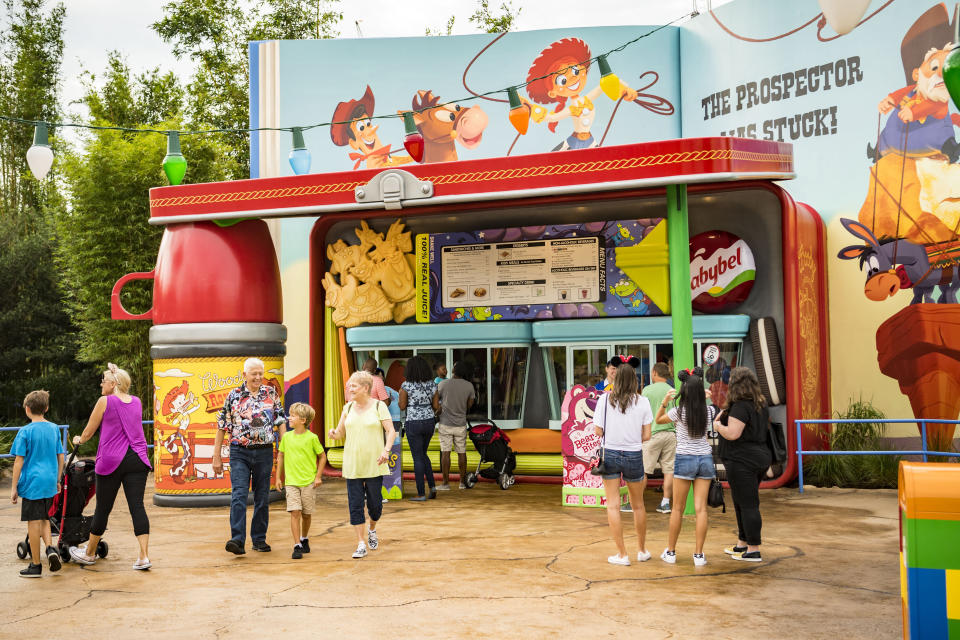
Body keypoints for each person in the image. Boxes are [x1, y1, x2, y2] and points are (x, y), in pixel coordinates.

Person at [70, 364, 153, 570]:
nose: (101, 383)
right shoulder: (136, 401)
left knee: (103, 508)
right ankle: (143, 557)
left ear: (113, 384)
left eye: (104, 380)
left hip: (111, 461)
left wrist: (79, 439)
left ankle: (89, 553)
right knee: (137, 507)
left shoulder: (104, 401)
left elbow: (89, 432)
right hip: (137, 459)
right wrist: (115, 371)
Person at [213, 357, 287, 555]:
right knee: (239, 494)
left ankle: (259, 539)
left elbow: (280, 420)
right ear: (244, 374)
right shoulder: (234, 396)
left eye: (260, 373)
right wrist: (216, 456)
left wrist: (286, 447)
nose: (258, 377)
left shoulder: (271, 393)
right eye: (254, 373)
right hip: (239, 452)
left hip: (264, 451)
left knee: (262, 497)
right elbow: (222, 426)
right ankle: (237, 539)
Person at [328, 371, 396, 559]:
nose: (349, 389)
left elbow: (391, 431)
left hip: (374, 463)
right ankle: (361, 543)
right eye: (349, 386)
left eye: (353, 386)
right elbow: (341, 432)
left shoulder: (378, 406)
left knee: (375, 506)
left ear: (366, 388)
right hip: (353, 464)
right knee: (355, 505)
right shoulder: (347, 408)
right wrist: (334, 433)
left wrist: (386, 451)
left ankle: (372, 528)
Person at [593, 363, 653, 566]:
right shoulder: (643, 401)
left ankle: (622, 555)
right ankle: (642, 550)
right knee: (638, 506)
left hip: (609, 453)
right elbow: (647, 435)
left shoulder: (604, 400)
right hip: (634, 454)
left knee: (613, 505)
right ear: (634, 380)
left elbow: (598, 431)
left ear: (616, 379)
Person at [656, 367, 716, 566]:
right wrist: (706, 399)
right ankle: (699, 555)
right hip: (705, 459)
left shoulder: (678, 411)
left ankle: (671, 552)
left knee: (677, 509)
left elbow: (658, 420)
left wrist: (665, 402)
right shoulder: (709, 410)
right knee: (701, 510)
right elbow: (708, 415)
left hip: (685, 458)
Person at [714, 367, 772, 563]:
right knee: (741, 502)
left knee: (748, 504)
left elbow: (732, 433)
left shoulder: (741, 406)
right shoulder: (759, 404)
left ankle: (753, 549)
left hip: (742, 460)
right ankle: (742, 543)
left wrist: (718, 426)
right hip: (758, 457)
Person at [10, 390, 64, 578]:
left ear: (27, 409)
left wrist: (14, 487)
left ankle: (35, 565)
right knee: (44, 518)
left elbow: (19, 461)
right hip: (49, 480)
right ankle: (50, 548)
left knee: (33, 522)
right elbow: (60, 456)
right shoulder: (54, 428)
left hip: (33, 482)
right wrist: (58, 479)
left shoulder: (25, 431)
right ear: (46, 408)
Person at [277, 402, 326, 560]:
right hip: (291, 482)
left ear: (303, 420)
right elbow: (281, 455)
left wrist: (318, 476)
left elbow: (322, 456)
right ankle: (297, 544)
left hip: (308, 482)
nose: (289, 418)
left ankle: (304, 538)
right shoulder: (286, 437)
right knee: (295, 512)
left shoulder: (312, 438)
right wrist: (279, 477)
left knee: (306, 514)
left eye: (292, 416)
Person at [399, 356, 439, 501]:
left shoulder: (406, 385)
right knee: (423, 454)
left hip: (413, 422)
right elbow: (436, 406)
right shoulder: (432, 385)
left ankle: (421, 493)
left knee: (417, 458)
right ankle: (433, 487)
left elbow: (402, 406)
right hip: (429, 422)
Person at [641, 362, 676, 514]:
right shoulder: (673, 390)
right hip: (670, 434)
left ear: (654, 372)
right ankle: (665, 503)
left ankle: (636, 502)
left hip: (652, 435)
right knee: (669, 470)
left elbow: (641, 413)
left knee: (643, 471)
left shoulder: (647, 390)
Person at [436, 361, 475, 490]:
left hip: (445, 423)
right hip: (461, 424)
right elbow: (469, 405)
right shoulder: (469, 386)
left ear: (453, 370)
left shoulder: (443, 384)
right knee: (461, 452)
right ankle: (463, 483)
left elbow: (435, 401)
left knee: (445, 453)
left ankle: (445, 483)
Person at [377, 368, 402, 504]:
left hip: (390, 431)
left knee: (389, 462)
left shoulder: (393, 393)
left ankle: (384, 491)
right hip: (379, 433)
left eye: (380, 378)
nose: (378, 381)